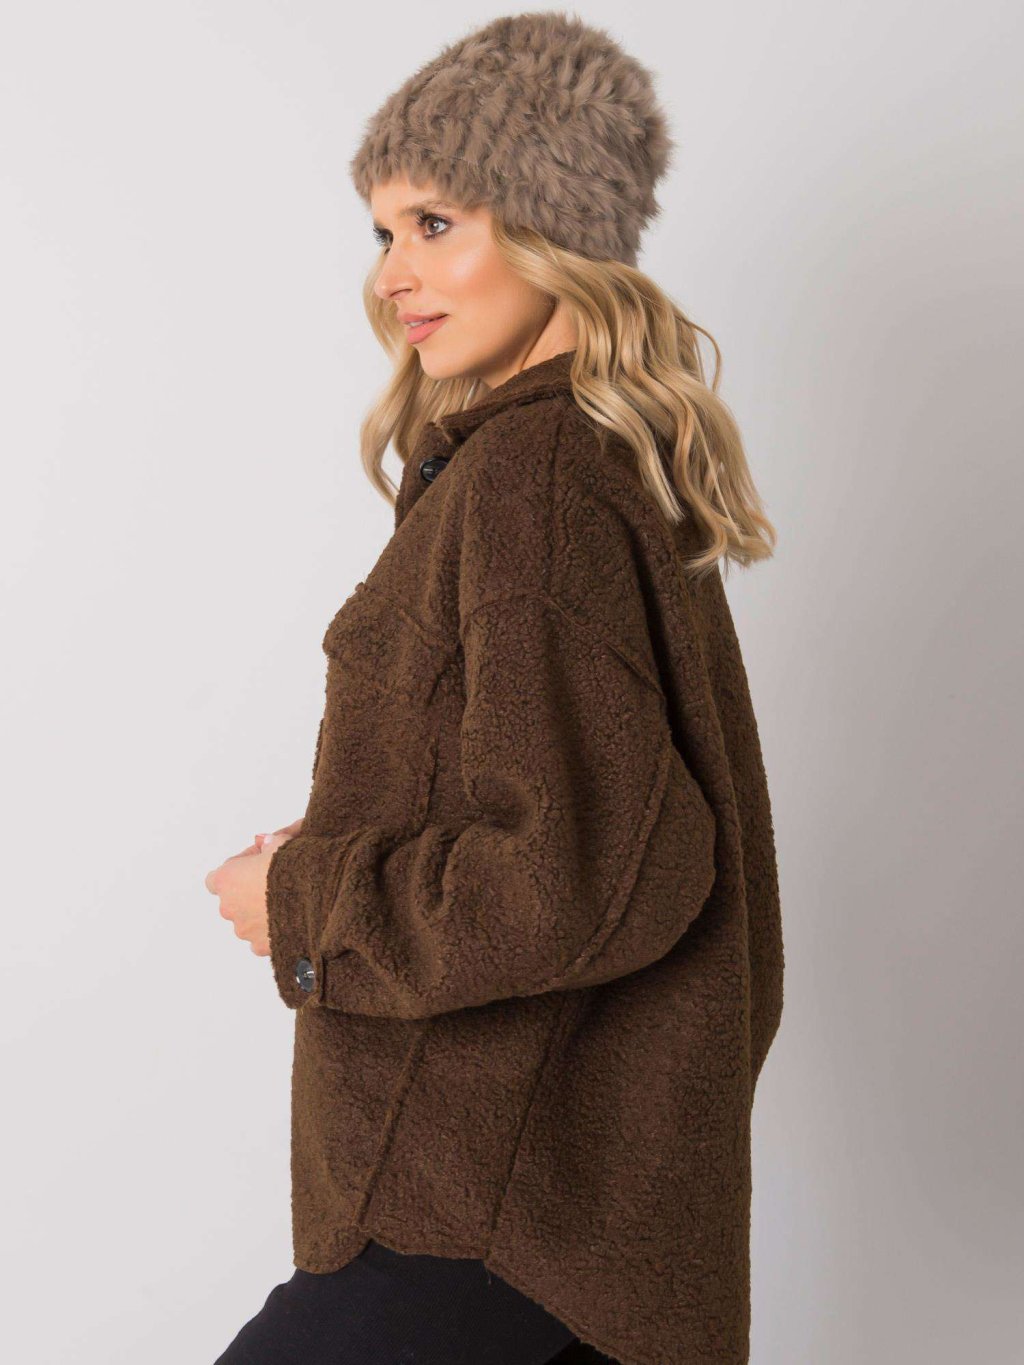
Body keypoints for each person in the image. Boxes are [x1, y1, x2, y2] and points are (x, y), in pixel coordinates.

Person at [205, 11, 784, 1364]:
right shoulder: (573, 459)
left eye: (435, 222)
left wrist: (304, 901)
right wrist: (349, 842)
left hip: (485, 1207)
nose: (393, 275)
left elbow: (581, 869)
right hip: (558, 1212)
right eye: (381, 232)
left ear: (551, 226)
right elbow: (582, 816)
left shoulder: (535, 480)